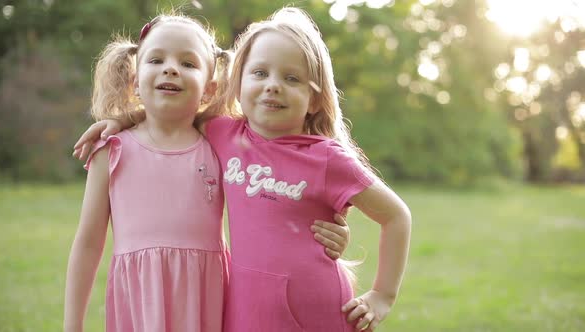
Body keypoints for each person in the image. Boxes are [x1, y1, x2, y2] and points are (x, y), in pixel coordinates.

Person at [74, 8, 411, 332]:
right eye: (260, 73)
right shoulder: (224, 135)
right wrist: (119, 120)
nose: (273, 85)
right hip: (245, 312)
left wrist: (383, 295)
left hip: (317, 310)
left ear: (314, 99)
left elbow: (396, 216)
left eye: (291, 78)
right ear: (239, 82)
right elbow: (168, 115)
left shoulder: (325, 158)